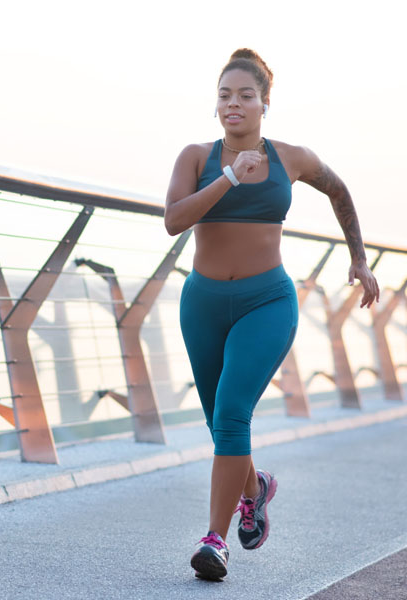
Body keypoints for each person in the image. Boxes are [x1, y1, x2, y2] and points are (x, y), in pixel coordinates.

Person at [164, 48, 380, 581]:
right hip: (203, 302)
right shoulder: (195, 156)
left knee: (234, 412)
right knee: (220, 422)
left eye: (245, 95)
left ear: (265, 103)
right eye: (224, 95)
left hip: (267, 300)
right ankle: (255, 490)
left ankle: (215, 542)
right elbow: (173, 220)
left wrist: (357, 257)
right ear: (216, 105)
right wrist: (231, 178)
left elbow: (339, 190)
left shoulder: (293, 157)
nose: (233, 104)